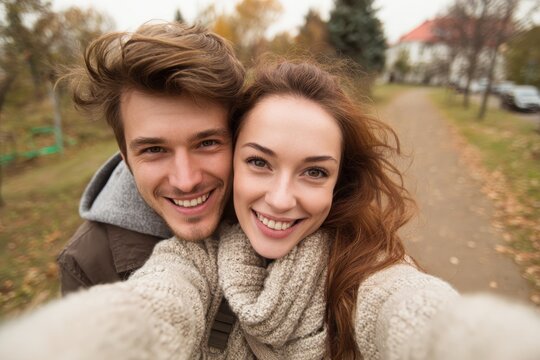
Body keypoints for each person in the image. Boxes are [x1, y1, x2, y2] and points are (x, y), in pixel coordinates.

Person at [2, 59, 540, 360]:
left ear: (339, 183)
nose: (281, 199)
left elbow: (411, 311)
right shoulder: (184, 259)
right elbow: (157, 305)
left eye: (313, 171)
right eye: (260, 163)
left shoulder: (362, 264)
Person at [56, 21, 244, 294]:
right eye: (154, 150)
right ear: (125, 158)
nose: (186, 181)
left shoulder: (287, 213)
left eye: (207, 143)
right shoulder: (87, 266)